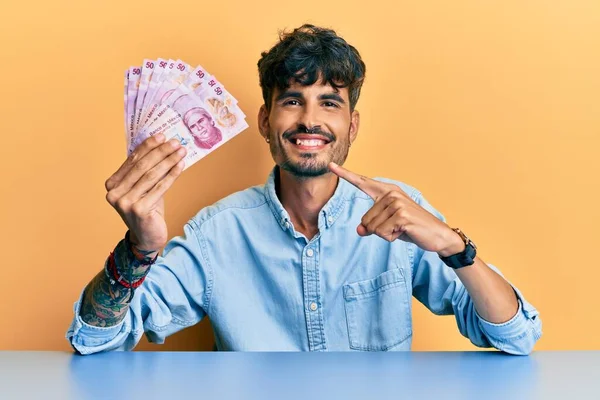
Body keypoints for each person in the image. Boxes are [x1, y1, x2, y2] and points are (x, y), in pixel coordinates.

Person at [67, 24, 542, 354]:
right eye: (292, 101)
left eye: (329, 103)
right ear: (264, 121)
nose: (310, 120)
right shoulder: (216, 235)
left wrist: (453, 246)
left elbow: (516, 336)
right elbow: (93, 339)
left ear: (351, 125)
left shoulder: (400, 212)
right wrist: (139, 248)